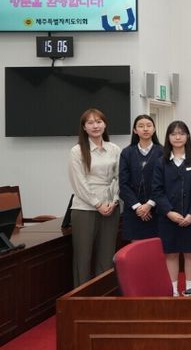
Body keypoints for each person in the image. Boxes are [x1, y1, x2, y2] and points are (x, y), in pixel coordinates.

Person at [68, 108, 121, 286]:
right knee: (83, 257)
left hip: (111, 207)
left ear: (105, 124)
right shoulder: (77, 151)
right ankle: (81, 296)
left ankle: (102, 295)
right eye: (90, 123)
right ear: (84, 127)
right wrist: (97, 204)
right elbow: (79, 182)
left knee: (106, 257)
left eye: (98, 122)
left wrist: (114, 201)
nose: (95, 126)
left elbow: (119, 178)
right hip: (85, 209)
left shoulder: (114, 149)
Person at [152, 120, 191, 296]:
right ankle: (173, 290)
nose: (178, 137)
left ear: (187, 136)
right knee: (171, 254)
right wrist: (169, 212)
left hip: (190, 217)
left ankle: (189, 290)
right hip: (168, 218)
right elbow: (157, 191)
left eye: (181, 133)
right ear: (168, 137)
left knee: (190, 253)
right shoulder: (161, 162)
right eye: (173, 134)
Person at [118, 114, 164, 241]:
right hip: (133, 210)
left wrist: (149, 204)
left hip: (157, 209)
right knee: (136, 249)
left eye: (149, 126)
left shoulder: (163, 152)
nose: (145, 129)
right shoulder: (127, 152)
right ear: (135, 130)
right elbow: (123, 184)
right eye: (141, 126)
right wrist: (138, 207)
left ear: (154, 129)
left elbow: (164, 182)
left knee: (156, 248)